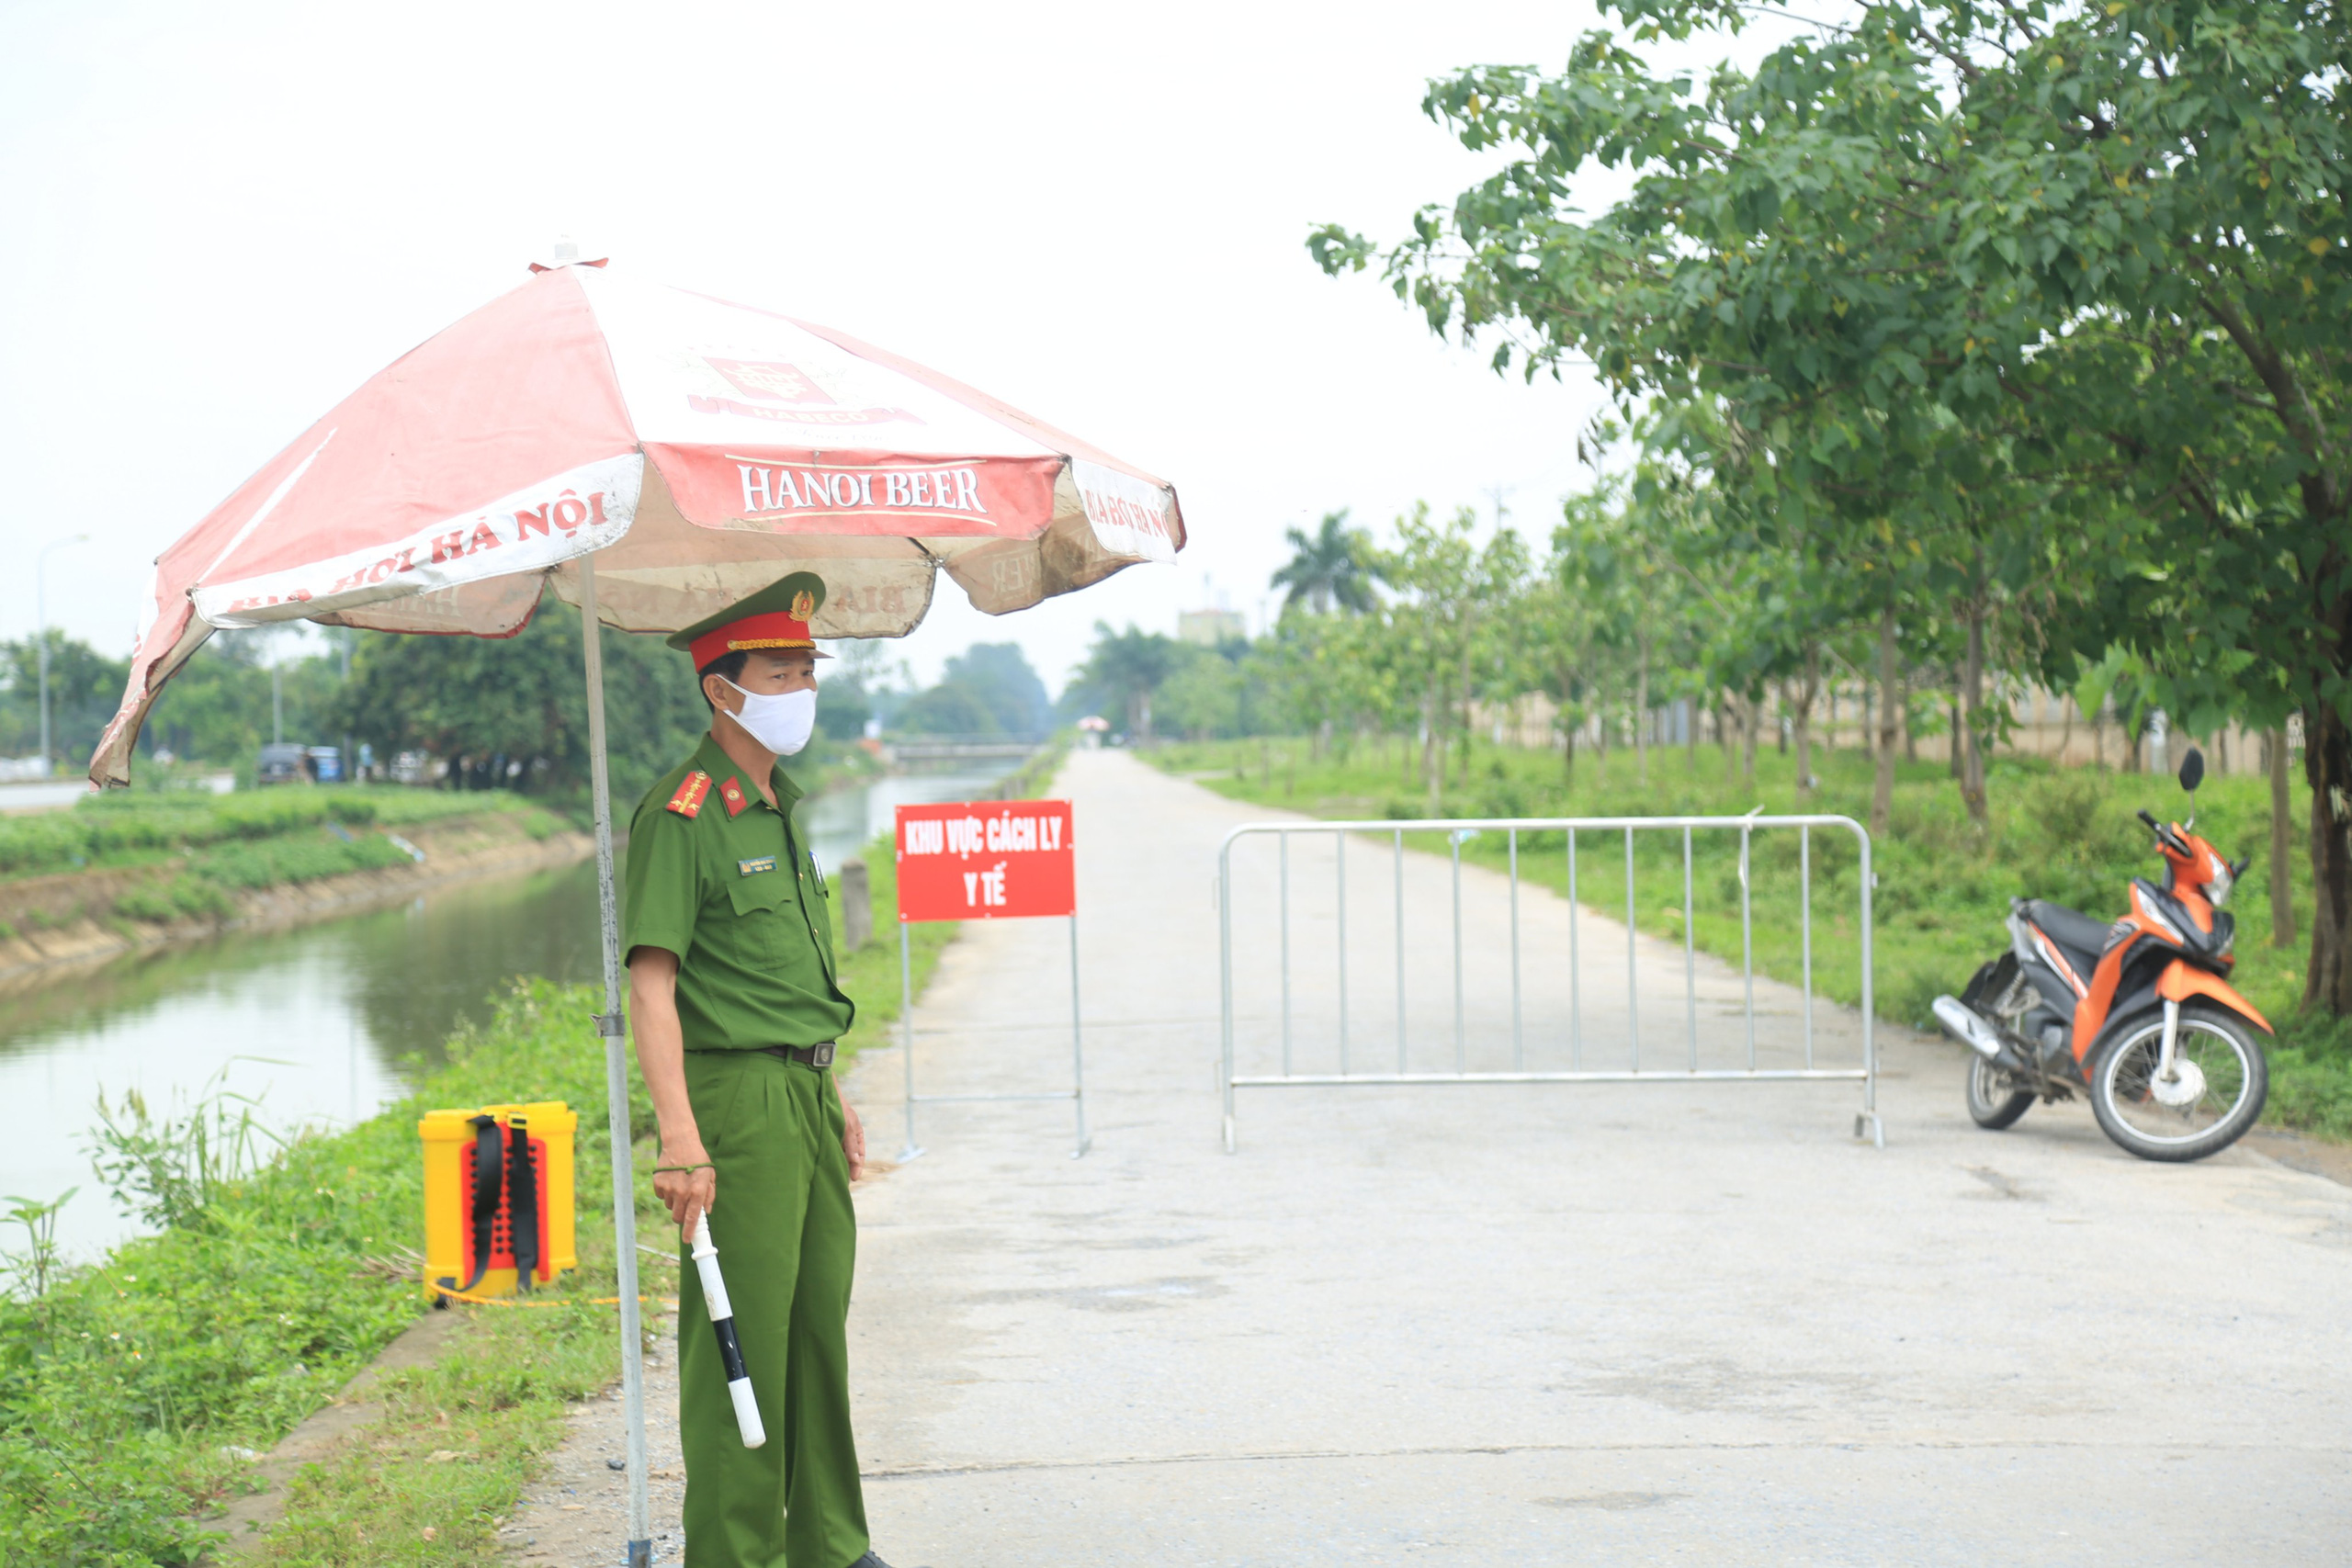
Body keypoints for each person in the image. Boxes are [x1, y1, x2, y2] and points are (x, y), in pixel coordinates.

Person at [622, 570, 895, 1568]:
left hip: (803, 1097)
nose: (801, 688)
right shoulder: (683, 815)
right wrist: (679, 1137)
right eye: (781, 670)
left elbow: (785, 976)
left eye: (806, 669)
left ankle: (829, 1544)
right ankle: (737, 1556)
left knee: (814, 1324)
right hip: (732, 1106)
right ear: (721, 688)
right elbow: (654, 988)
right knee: (741, 1346)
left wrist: (831, 1090)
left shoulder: (779, 806)